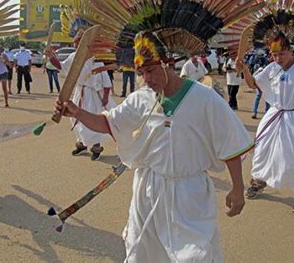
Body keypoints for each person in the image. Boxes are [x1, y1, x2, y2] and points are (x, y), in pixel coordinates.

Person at [54, 31, 253, 262]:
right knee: (142, 251)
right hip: (148, 189)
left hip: (189, 192)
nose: (146, 79)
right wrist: (77, 112)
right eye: (141, 72)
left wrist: (237, 187)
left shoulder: (204, 98)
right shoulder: (142, 98)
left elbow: (230, 142)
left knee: (196, 255)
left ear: (167, 63)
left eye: (150, 70)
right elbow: (108, 123)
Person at [238, 32, 294, 215]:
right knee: (263, 150)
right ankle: (258, 181)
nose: (277, 58)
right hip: (273, 115)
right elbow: (253, 84)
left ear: (290, 51)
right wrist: (245, 69)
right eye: (274, 54)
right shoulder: (271, 68)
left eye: (281, 54)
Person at [48, 28, 116, 161]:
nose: (74, 45)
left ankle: (96, 146)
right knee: (75, 118)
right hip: (79, 92)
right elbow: (62, 67)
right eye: (74, 43)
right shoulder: (74, 56)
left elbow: (106, 81)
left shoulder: (96, 59)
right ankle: (81, 144)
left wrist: (105, 97)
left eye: (77, 43)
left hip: (92, 95)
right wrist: (51, 57)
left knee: (90, 118)